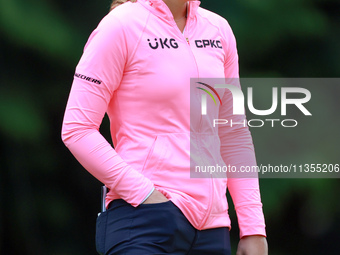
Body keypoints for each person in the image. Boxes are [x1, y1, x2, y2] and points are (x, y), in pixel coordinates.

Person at [61, 0, 268, 254]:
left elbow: (233, 132)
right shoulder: (120, 25)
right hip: (143, 221)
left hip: (213, 230)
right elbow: (77, 128)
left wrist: (253, 228)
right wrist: (145, 194)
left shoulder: (218, 29)